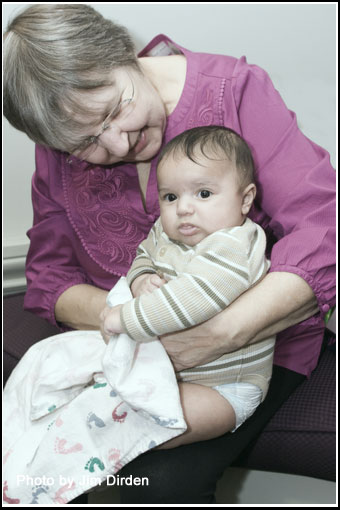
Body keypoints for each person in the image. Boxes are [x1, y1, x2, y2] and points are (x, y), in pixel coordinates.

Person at [3, 4, 335, 504]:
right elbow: (50, 275)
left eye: (116, 109)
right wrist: (127, 317)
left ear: (125, 55)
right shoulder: (63, 130)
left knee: (139, 485)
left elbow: (325, 230)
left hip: (249, 342)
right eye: (87, 141)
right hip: (125, 336)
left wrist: (215, 335)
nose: (117, 142)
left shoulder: (236, 91)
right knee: (34, 435)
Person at [101, 126, 275, 449]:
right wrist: (140, 280)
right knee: (109, 403)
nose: (183, 208)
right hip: (174, 369)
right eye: (170, 197)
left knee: (147, 428)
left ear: (245, 199)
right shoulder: (166, 231)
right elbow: (142, 256)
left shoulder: (235, 245)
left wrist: (123, 318)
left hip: (224, 387)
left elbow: (190, 299)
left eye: (203, 194)